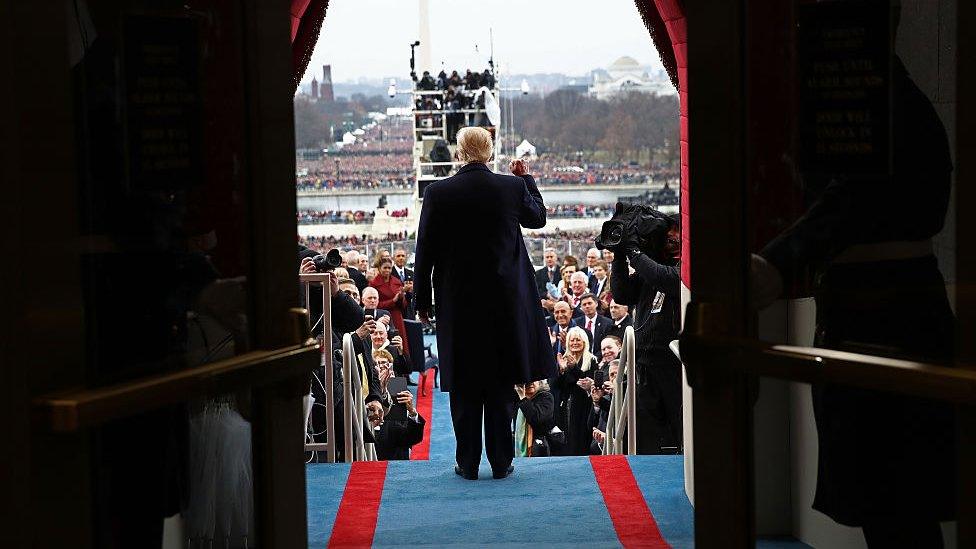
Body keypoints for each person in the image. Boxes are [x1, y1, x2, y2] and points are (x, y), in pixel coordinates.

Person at [414, 126, 555, 480]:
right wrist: (527, 178)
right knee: (499, 381)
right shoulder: (511, 186)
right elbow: (538, 217)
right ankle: (501, 460)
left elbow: (425, 251)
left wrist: (422, 299)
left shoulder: (438, 192)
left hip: (457, 303)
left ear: (458, 154)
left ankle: (468, 463)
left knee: (463, 384)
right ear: (490, 153)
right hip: (504, 303)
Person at [609, 210, 682, 454]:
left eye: (675, 235)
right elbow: (622, 294)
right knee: (648, 431)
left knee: (679, 424)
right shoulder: (652, 266)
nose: (670, 240)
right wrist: (619, 257)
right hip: (644, 360)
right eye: (667, 235)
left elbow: (670, 280)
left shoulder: (685, 266)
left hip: (673, 361)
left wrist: (635, 253)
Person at [371, 349, 425, 460]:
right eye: (378, 364)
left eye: (385, 364)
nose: (382, 367)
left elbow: (410, 437)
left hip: (395, 454)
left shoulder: (398, 387)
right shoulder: (364, 389)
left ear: (391, 368)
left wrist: (412, 412)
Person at [555, 326, 599, 456]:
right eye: (572, 340)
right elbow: (558, 386)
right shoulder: (563, 359)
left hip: (584, 406)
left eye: (578, 340)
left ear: (584, 342)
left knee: (581, 438)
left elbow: (584, 383)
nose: (574, 343)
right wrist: (562, 370)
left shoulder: (592, 360)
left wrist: (574, 368)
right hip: (566, 406)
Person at [369, 256, 411, 357]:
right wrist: (393, 300)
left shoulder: (397, 281)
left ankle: (403, 368)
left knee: (400, 343)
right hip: (382, 318)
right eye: (385, 268)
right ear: (379, 268)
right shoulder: (374, 284)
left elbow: (404, 305)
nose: (387, 270)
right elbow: (375, 304)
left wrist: (401, 298)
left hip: (397, 317)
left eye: (389, 268)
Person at [513, 380, 555, 457]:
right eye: (527, 381)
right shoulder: (516, 399)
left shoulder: (546, 397)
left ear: (540, 382)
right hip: (518, 446)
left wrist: (523, 398)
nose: (531, 383)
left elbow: (536, 418)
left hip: (540, 447)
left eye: (534, 379)